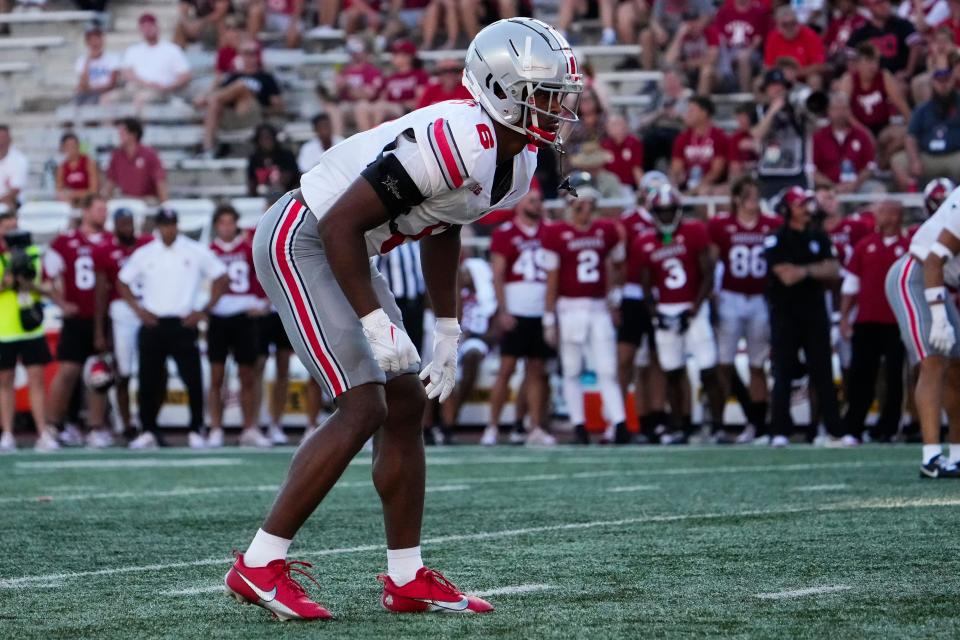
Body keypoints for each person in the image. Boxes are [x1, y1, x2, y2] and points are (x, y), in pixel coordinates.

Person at [226, 18, 582, 619]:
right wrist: (372, 321)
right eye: (543, 93)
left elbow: (445, 226)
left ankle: (406, 577)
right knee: (365, 404)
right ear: (499, 88)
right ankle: (259, 563)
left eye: (559, 93)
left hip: (347, 248)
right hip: (304, 235)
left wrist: (447, 326)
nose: (558, 106)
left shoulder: (515, 164)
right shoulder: (460, 135)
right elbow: (338, 224)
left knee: (407, 403)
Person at [118, 208, 228, 450]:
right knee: (149, 380)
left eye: (172, 224)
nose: (169, 229)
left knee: (193, 379)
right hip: (154, 322)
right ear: (158, 226)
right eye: (164, 225)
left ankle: (195, 428)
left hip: (182, 322)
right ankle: (148, 429)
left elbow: (222, 276)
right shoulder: (145, 253)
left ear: (177, 225)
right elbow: (123, 280)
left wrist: (204, 310)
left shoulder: (194, 250)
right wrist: (138, 310)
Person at [633, 183, 724, 443]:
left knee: (708, 368)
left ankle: (717, 425)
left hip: (693, 306)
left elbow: (707, 274)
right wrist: (655, 314)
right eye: (660, 211)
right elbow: (646, 284)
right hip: (666, 310)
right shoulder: (645, 241)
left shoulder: (694, 231)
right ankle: (679, 426)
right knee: (672, 371)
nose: (665, 216)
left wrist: (694, 308)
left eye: (669, 210)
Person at [542, 184, 625, 445]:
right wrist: (549, 318)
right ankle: (579, 425)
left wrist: (614, 300)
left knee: (607, 369)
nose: (585, 209)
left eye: (589, 204)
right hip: (569, 308)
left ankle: (619, 423)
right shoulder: (557, 233)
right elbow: (552, 280)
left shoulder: (606, 230)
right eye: (580, 204)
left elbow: (614, 265)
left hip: (598, 306)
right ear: (570, 206)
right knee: (572, 369)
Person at [886, 183, 960, 477]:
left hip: (941, 283)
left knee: (957, 368)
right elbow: (933, 259)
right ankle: (931, 458)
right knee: (934, 360)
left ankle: (956, 455)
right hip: (915, 276)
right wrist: (940, 318)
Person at [764, 187, 842, 447]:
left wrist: (804, 271)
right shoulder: (777, 238)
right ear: (788, 210)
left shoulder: (819, 236)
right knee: (783, 371)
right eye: (800, 204)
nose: (806, 209)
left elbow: (833, 269)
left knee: (823, 370)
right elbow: (785, 275)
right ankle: (779, 430)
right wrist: (814, 270)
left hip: (814, 310)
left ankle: (831, 428)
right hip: (785, 312)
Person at [708, 176, 781, 444]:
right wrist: (712, 298)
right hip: (730, 297)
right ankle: (718, 423)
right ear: (737, 198)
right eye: (748, 196)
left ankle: (757, 424)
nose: (753, 202)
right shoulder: (721, 225)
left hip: (760, 299)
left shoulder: (771, 225)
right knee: (724, 363)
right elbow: (713, 262)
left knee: (757, 364)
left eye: (756, 196)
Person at [42, 195, 114, 448]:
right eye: (99, 208)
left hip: (102, 317)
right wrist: (61, 303)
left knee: (99, 373)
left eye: (105, 209)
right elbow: (47, 275)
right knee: (68, 372)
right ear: (85, 211)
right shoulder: (65, 242)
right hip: (77, 316)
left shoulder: (110, 240)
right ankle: (52, 425)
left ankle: (95, 427)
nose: (103, 213)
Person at [485, 188, 554, 446]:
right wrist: (503, 310)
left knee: (536, 369)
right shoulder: (505, 233)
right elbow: (498, 274)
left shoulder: (549, 231)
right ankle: (492, 426)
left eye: (539, 201)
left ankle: (534, 426)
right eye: (533, 200)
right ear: (520, 203)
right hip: (517, 308)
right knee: (507, 368)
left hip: (540, 309)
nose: (538, 205)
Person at [840, 200, 908, 444]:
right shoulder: (865, 245)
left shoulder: (909, 246)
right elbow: (851, 284)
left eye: (881, 211)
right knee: (861, 374)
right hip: (867, 319)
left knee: (893, 376)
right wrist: (845, 317)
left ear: (895, 215)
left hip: (897, 320)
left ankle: (888, 427)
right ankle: (854, 426)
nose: (876, 216)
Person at [207, 205, 271, 449]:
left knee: (247, 375)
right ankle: (215, 427)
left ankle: (249, 427)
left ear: (236, 224)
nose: (226, 227)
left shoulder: (248, 249)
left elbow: (264, 275)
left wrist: (263, 303)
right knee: (216, 375)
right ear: (216, 225)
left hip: (244, 316)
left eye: (230, 222)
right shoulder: (208, 252)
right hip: (218, 318)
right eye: (222, 223)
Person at [617, 172, 670, 443]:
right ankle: (620, 418)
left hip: (663, 295)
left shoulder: (668, 218)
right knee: (627, 359)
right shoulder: (628, 221)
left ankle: (656, 417)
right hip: (633, 293)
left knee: (658, 359)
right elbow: (617, 260)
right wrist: (616, 296)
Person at [93, 208, 153, 439]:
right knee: (124, 371)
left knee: (151, 369)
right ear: (115, 225)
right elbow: (100, 293)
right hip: (121, 312)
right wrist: (99, 330)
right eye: (122, 223)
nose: (127, 227)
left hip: (150, 308)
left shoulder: (147, 244)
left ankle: (147, 420)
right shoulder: (105, 250)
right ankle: (126, 423)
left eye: (130, 223)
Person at [0, 216, 57, 452]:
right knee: (5, 381)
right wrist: (8, 280)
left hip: (31, 325)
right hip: (5, 328)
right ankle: (8, 433)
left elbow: (49, 288)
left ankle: (43, 432)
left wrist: (27, 283)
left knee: (36, 379)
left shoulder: (34, 254)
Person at [198, 40, 283, 156]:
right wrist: (218, 82)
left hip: (253, 115)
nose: (250, 57)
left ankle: (207, 98)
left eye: (253, 53)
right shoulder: (232, 76)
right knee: (216, 102)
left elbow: (277, 104)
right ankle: (208, 148)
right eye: (246, 53)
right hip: (230, 117)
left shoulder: (265, 77)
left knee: (241, 86)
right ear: (240, 55)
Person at [837, 43, 911, 169]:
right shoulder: (848, 80)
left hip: (882, 127)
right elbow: (844, 112)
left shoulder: (884, 76)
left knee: (906, 136)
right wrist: (863, 132)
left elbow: (901, 104)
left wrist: (913, 126)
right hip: (856, 128)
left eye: (876, 62)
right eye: (868, 62)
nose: (873, 66)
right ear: (858, 64)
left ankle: (882, 163)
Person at [892, 68, 960, 190]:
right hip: (928, 156)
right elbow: (910, 137)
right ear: (933, 83)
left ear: (952, 81)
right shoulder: (923, 109)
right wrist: (914, 160)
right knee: (898, 161)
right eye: (939, 81)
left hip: (955, 155)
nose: (943, 85)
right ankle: (914, 199)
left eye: (946, 81)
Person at [752, 68, 808, 198]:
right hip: (767, 173)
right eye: (773, 86)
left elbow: (813, 126)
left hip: (794, 173)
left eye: (781, 86)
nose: (777, 89)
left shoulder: (797, 110)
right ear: (765, 89)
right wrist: (773, 110)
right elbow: (757, 134)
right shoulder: (758, 111)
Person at [121, 13, 192, 108]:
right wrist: (147, 84)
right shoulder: (133, 50)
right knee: (107, 99)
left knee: (140, 99)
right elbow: (127, 74)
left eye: (150, 26)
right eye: (144, 27)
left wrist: (169, 87)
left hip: (161, 91)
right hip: (136, 88)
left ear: (157, 27)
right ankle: (107, 123)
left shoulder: (172, 49)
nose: (147, 29)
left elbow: (185, 75)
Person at [811, 92, 877, 194]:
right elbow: (812, 170)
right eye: (836, 109)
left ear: (850, 111)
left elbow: (870, 165)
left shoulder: (861, 135)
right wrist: (833, 186)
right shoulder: (818, 137)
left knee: (877, 191)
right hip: (828, 188)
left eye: (844, 109)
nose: (840, 113)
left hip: (858, 186)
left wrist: (855, 184)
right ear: (829, 111)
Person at [702, 0, 770, 93]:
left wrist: (748, 51)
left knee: (743, 57)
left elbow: (758, 38)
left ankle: (744, 93)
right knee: (715, 62)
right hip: (728, 51)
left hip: (751, 52)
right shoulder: (724, 11)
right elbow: (720, 36)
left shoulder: (758, 12)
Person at [669, 96, 729, 196]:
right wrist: (676, 179)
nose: (687, 114)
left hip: (711, 186)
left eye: (691, 110)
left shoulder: (719, 137)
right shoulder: (682, 138)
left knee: (704, 192)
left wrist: (694, 190)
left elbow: (716, 173)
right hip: (686, 185)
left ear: (704, 113)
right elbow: (676, 168)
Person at [847, 0, 921, 79]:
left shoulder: (902, 24)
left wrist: (908, 71)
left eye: (886, 1)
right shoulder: (862, 32)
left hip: (898, 78)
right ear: (869, 7)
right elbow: (851, 58)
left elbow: (915, 46)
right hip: (872, 80)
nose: (885, 5)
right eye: (879, 3)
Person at [104, 118, 169, 203]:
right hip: (126, 199)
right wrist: (104, 201)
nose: (119, 136)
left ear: (133, 135)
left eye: (123, 133)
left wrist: (165, 204)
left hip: (147, 199)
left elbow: (160, 181)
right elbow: (110, 182)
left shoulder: (149, 154)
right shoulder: (116, 155)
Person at [762, 6, 826, 88]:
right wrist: (782, 74)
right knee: (759, 82)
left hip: (804, 76)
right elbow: (768, 66)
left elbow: (820, 65)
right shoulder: (773, 37)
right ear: (778, 26)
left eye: (792, 23)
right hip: (779, 77)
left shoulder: (810, 35)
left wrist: (797, 73)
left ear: (798, 22)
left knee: (815, 79)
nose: (789, 27)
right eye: (785, 24)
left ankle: (814, 101)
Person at [371, 40, 429, 126]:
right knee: (363, 107)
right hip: (389, 107)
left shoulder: (419, 74)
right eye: (394, 54)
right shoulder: (390, 76)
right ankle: (365, 137)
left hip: (406, 110)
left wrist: (403, 103)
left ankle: (374, 137)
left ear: (409, 57)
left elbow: (421, 99)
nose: (394, 57)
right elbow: (382, 97)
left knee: (380, 107)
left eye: (399, 54)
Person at [247, 124, 298, 200]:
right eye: (263, 138)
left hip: (287, 196)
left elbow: (291, 179)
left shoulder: (286, 155)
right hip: (262, 198)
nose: (267, 141)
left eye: (269, 137)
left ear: (274, 138)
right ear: (258, 140)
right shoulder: (254, 158)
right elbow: (252, 182)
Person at [74, 23, 121, 105]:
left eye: (97, 39)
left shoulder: (113, 58)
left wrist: (91, 89)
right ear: (87, 42)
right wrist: (88, 61)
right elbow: (82, 84)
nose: (94, 42)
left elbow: (112, 84)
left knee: (104, 100)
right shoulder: (82, 61)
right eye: (91, 39)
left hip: (107, 93)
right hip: (88, 94)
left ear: (102, 40)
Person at [600, 113, 644, 192]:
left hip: (629, 186)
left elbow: (637, 169)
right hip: (609, 187)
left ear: (626, 125)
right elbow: (602, 170)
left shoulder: (634, 142)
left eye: (619, 124)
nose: (616, 128)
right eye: (613, 125)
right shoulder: (604, 144)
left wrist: (643, 190)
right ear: (607, 128)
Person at [55, 133, 99, 207]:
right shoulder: (62, 168)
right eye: (68, 146)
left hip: (88, 204)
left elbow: (94, 190)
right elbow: (59, 193)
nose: (71, 148)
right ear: (63, 148)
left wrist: (73, 194)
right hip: (70, 205)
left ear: (78, 146)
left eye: (74, 145)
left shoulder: (88, 163)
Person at [0, 125, 27, 212]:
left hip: (13, 202)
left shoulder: (19, 160)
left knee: (9, 204)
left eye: (3, 137)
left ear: (10, 140)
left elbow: (15, 191)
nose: (1, 141)